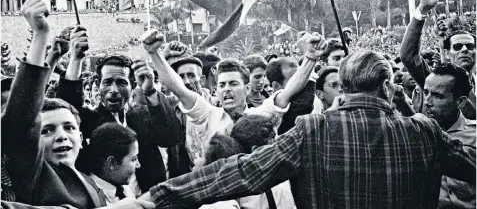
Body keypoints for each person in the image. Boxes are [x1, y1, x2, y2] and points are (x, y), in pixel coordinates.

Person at [140, 50, 476, 209]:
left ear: (342, 87)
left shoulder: (312, 130)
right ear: (387, 87)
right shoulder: (424, 133)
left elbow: (243, 172)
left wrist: (157, 197)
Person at [1, 0, 154, 209]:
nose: (61, 136)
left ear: (81, 138)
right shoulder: (33, 176)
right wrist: (41, 36)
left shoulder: (89, 183)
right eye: (46, 131)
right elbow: (20, 120)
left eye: (69, 127)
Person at [139, 29, 324, 163]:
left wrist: (310, 58)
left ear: (247, 88)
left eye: (233, 84)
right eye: (222, 85)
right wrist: (154, 54)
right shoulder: (208, 114)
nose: (227, 89)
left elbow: (290, 90)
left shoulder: (261, 114)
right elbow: (178, 88)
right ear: (216, 90)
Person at [55, 28, 182, 193]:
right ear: (98, 86)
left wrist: (150, 92)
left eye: (121, 82)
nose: (113, 89)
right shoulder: (88, 121)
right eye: (107, 82)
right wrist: (76, 59)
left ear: (133, 86)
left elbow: (170, 137)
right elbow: (67, 107)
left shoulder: (143, 116)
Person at [401, 0, 476, 119]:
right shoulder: (434, 81)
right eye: (457, 46)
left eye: (470, 46)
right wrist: (422, 10)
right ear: (447, 53)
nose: (465, 49)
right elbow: (408, 56)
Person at [422, 63, 476, 208]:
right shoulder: (416, 134)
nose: (427, 102)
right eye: (425, 92)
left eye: (438, 96)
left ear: (460, 101)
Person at [88, 123, 140, 204]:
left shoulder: (125, 187)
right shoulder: (90, 200)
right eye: (134, 159)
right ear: (112, 163)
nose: (138, 165)